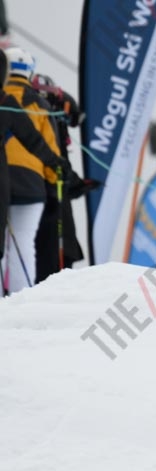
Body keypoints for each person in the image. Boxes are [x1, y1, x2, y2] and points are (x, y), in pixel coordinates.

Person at [0, 48, 68, 294]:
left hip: (3, 178)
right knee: (23, 241)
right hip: (31, 183)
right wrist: (56, 175)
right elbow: (44, 144)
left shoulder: (5, 98)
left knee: (2, 245)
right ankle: (21, 298)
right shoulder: (39, 103)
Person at [30, 73, 96, 281]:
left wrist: (77, 184)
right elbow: (53, 157)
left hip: (47, 196)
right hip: (48, 200)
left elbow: (58, 160)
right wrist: (74, 182)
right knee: (50, 259)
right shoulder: (43, 115)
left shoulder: (40, 113)